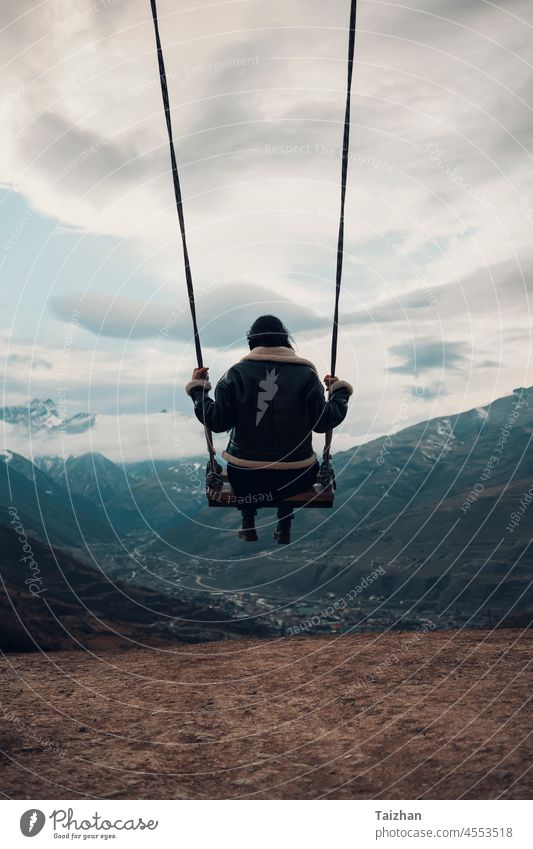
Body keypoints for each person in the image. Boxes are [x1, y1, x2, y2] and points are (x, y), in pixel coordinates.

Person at [185, 315, 352, 544]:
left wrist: (199, 390)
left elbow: (215, 421)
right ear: (285, 340)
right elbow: (325, 422)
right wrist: (339, 392)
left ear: (252, 342)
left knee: (248, 468)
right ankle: (284, 524)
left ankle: (248, 521)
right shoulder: (307, 376)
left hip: (245, 477)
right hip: (298, 476)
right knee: (283, 470)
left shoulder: (236, 374)